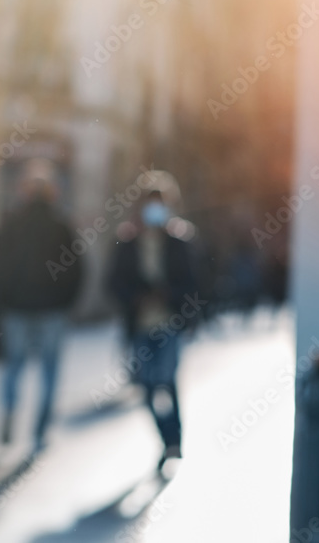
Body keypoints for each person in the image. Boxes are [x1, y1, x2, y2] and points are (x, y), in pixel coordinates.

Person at [0, 159, 82, 452]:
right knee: (49, 370)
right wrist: (65, 301)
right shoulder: (61, 227)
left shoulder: (12, 224)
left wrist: (3, 298)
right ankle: (40, 428)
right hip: (51, 310)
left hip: (17, 308)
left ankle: (9, 413)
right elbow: (77, 268)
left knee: (14, 366)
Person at [107, 186, 197, 475]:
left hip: (169, 323)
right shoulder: (128, 242)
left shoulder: (178, 242)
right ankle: (167, 439)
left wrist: (169, 295)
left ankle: (175, 440)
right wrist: (135, 297)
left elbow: (193, 281)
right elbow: (113, 282)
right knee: (147, 384)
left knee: (167, 381)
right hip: (140, 325)